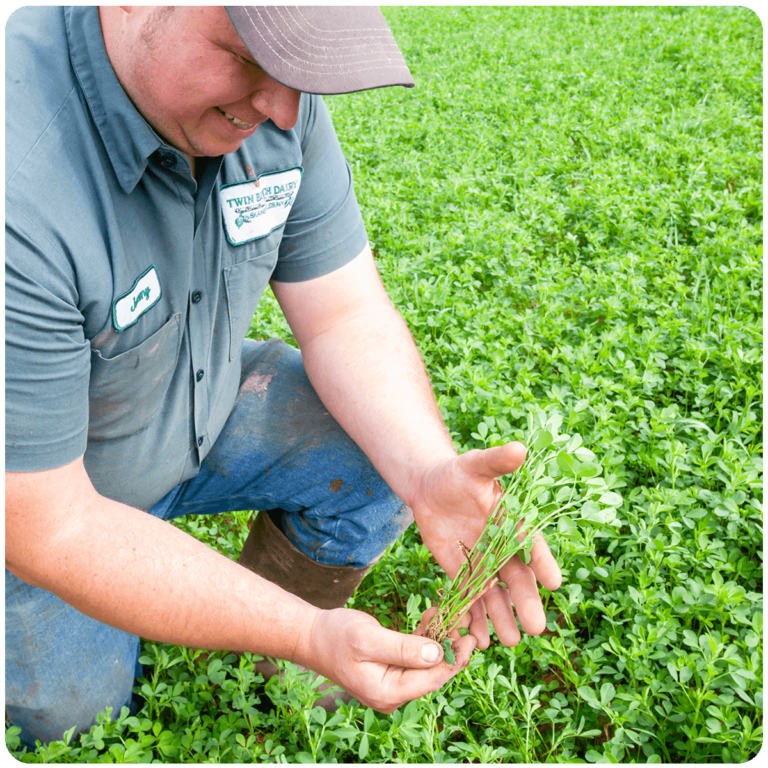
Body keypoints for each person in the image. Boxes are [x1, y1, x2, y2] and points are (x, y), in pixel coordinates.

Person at [4, 5, 562, 750]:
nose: (285, 109)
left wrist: (428, 472)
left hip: (185, 402)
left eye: (302, 69)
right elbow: (52, 524)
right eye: (247, 57)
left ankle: (260, 659)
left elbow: (345, 316)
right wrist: (309, 633)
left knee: (382, 451)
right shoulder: (22, 178)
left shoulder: (276, 102)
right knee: (76, 725)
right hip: (42, 498)